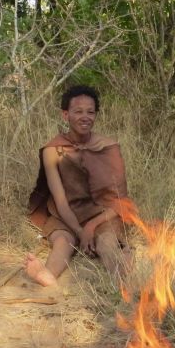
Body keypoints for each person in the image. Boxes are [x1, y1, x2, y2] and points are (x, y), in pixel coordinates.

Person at [25, 85, 131, 286]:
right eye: (78, 111)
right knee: (63, 242)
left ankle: (123, 281)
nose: (85, 117)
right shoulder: (53, 150)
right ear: (65, 115)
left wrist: (91, 226)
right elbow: (61, 201)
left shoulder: (108, 147)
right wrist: (80, 231)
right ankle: (47, 275)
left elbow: (120, 201)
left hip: (101, 215)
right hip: (66, 215)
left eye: (90, 112)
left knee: (107, 243)